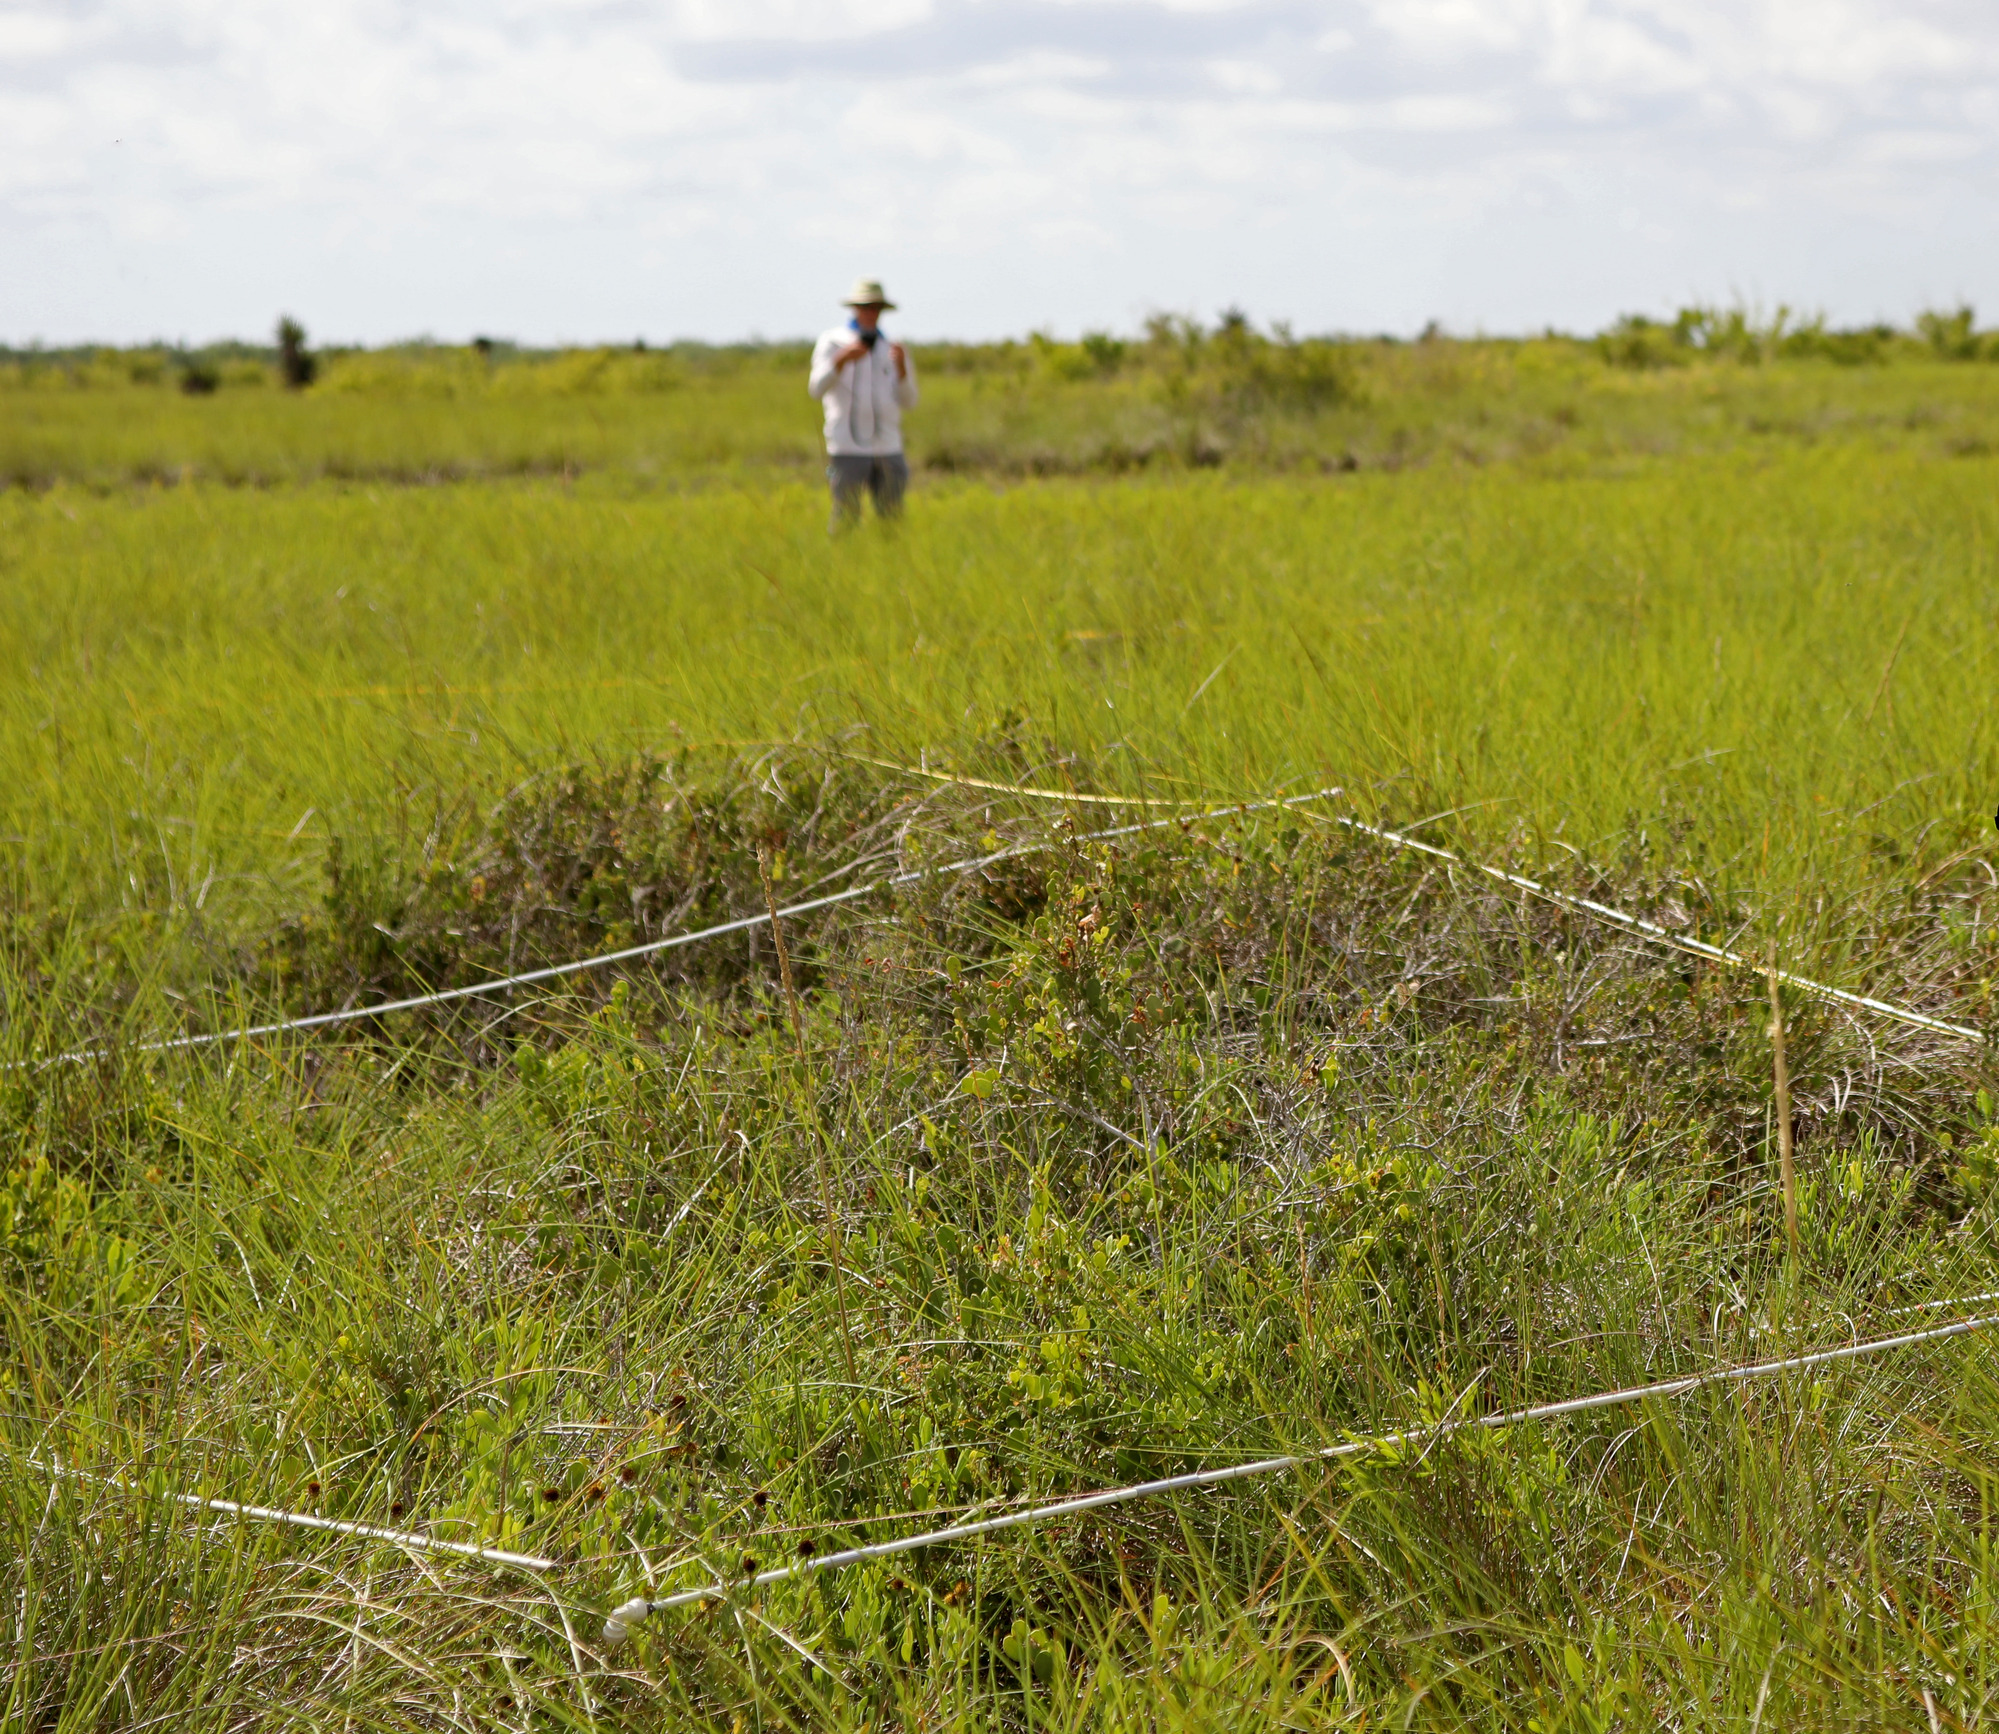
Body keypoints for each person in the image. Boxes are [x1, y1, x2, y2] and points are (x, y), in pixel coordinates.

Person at [808, 278, 918, 529]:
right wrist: (842, 359)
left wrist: (901, 368)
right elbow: (816, 389)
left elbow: (910, 400)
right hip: (847, 446)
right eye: (865, 306)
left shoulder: (892, 347)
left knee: (892, 518)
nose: (871, 312)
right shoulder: (833, 341)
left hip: (888, 446)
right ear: (855, 308)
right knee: (845, 516)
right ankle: (839, 565)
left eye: (876, 307)